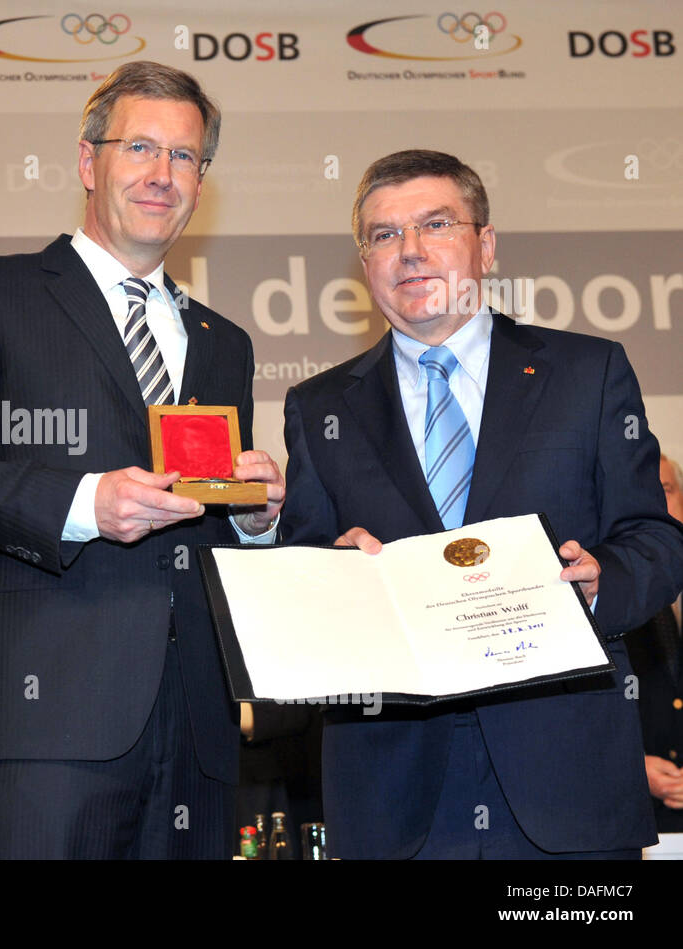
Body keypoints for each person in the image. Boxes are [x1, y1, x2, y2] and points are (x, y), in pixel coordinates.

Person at [0, 62, 283, 858]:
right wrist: (83, 502)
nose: (162, 174)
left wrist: (258, 516)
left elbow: (203, 511)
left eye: (185, 157)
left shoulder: (223, 341)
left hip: (197, 724)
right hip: (48, 716)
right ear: (86, 161)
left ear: (202, 181)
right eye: (140, 147)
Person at [279, 149, 683, 859]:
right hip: (393, 796)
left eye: (435, 224)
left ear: (485, 245)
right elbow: (302, 571)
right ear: (364, 263)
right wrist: (334, 577)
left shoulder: (588, 374)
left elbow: (655, 537)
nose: (409, 251)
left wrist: (601, 581)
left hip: (566, 784)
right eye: (383, 235)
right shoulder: (318, 408)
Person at [624, 454, 683, 832]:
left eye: (666, 490)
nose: (659, 505)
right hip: (633, 822)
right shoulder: (594, 594)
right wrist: (629, 766)